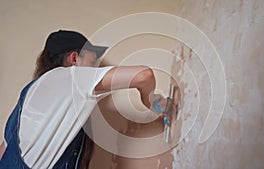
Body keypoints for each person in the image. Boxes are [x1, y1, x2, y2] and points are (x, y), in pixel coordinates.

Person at [0, 30, 165, 169]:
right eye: (92, 61)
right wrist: (149, 101)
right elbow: (144, 76)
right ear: (74, 59)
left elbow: (3, 152)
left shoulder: (29, 96)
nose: (94, 69)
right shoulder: (69, 77)